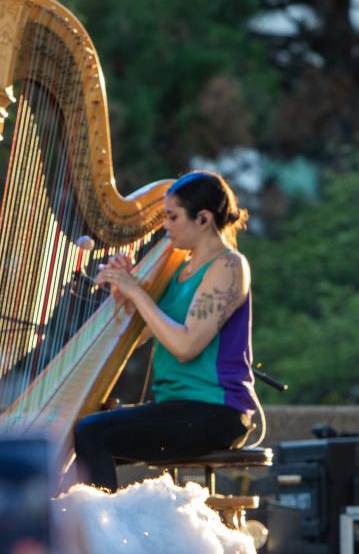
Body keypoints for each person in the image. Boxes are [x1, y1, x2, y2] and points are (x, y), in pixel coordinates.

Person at [74, 170, 259, 491]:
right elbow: (142, 337)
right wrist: (123, 293)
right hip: (178, 406)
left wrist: (136, 292)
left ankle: (101, 533)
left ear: (203, 218)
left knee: (94, 434)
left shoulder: (228, 266)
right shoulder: (178, 271)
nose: (165, 226)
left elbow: (185, 346)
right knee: (76, 443)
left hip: (215, 411)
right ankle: (80, 526)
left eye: (172, 217)